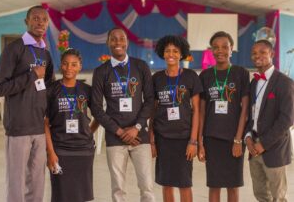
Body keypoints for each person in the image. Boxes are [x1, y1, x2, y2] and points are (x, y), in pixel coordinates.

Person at [0, 5, 54, 202]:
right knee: (16, 181)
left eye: (44, 19)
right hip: (18, 126)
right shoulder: (14, 49)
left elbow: (48, 87)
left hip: (39, 126)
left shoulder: (45, 53)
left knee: (37, 180)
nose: (40, 22)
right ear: (26, 21)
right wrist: (31, 75)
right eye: (35, 18)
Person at [91, 27, 155, 202]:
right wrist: (119, 131)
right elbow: (96, 108)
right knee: (118, 188)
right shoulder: (101, 72)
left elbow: (150, 100)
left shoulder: (140, 66)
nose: (118, 42)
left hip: (140, 136)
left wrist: (137, 127)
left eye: (121, 38)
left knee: (147, 186)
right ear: (108, 43)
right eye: (113, 39)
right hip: (114, 138)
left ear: (127, 42)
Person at [198, 31, 250, 202]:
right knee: (214, 185)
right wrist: (200, 142)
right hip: (212, 138)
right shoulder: (205, 75)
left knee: (233, 186)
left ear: (231, 49)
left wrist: (238, 140)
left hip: (233, 139)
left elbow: (245, 109)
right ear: (211, 50)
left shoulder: (240, 73)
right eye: (216, 47)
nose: (220, 50)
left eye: (224, 47)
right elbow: (202, 112)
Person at [150, 35, 202, 202]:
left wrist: (193, 141)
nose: (171, 54)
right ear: (162, 54)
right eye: (167, 51)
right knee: (166, 183)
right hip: (163, 139)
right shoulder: (157, 78)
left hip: (184, 139)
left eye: (175, 51)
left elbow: (197, 111)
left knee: (184, 183)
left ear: (181, 54)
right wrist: (152, 141)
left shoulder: (190, 76)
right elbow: (153, 111)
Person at [45, 48, 98, 202]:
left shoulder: (87, 90)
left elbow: (99, 116)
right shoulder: (51, 90)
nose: (69, 68)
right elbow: (45, 123)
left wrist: (89, 131)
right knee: (61, 194)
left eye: (74, 64)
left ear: (80, 66)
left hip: (83, 150)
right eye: (66, 64)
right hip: (60, 149)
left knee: (81, 194)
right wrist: (50, 152)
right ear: (61, 65)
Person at [245, 40, 294, 202]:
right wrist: (248, 138)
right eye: (254, 53)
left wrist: (263, 144)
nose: (257, 56)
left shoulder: (284, 83)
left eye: (262, 52)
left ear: (272, 54)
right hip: (254, 147)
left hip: (274, 147)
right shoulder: (254, 83)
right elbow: (251, 116)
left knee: (278, 196)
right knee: (260, 194)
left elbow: (287, 119)